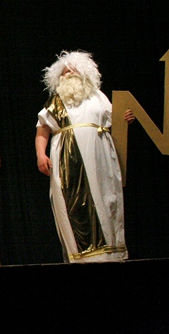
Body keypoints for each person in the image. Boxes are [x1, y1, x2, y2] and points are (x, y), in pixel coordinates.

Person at [35, 50, 134, 263]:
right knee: (73, 204)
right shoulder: (55, 102)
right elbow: (42, 130)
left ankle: (110, 254)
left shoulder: (98, 97)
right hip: (67, 160)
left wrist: (125, 118)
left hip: (99, 158)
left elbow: (116, 120)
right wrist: (40, 155)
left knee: (105, 198)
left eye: (74, 70)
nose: (69, 74)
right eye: (65, 72)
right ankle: (82, 258)